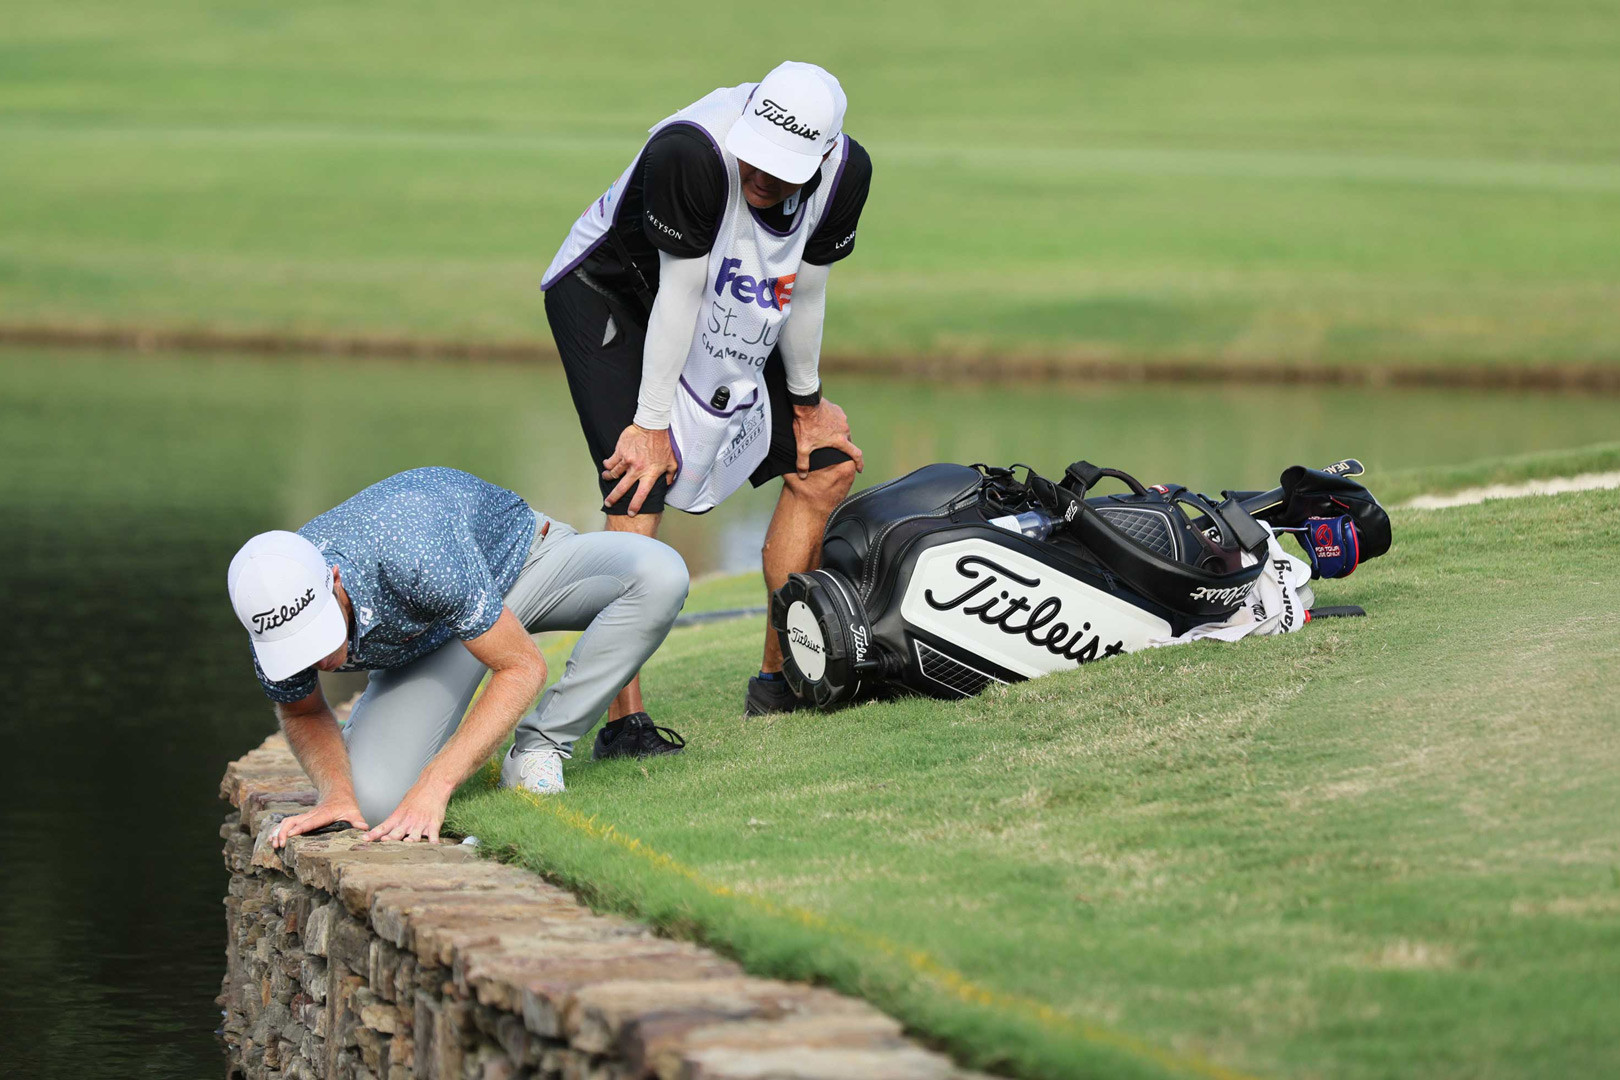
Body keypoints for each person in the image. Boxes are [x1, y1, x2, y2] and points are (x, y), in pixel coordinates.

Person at [541, 60, 873, 719]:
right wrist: (652, 422)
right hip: (608, 289)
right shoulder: (691, 152)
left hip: (727, 291)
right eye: (754, 156)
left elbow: (803, 292)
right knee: (641, 478)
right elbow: (679, 294)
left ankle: (782, 682)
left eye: (782, 168)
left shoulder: (847, 173)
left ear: (824, 154)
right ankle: (620, 718)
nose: (759, 175)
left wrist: (807, 408)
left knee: (823, 467)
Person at [226, 467, 689, 845]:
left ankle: (539, 747)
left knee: (659, 574)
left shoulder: (412, 552)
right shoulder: (269, 613)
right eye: (300, 648)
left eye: (321, 634)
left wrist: (437, 783)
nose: (320, 659)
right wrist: (335, 794)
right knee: (373, 805)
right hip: (436, 635)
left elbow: (522, 666)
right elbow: (302, 711)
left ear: (336, 581)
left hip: (520, 565)